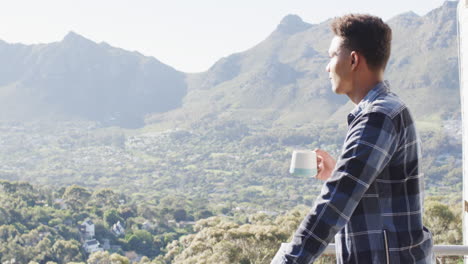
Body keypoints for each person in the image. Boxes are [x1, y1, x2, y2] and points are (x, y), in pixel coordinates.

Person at [272, 14, 434, 264]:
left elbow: (335, 202)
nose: (327, 67)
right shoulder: (388, 110)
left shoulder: (377, 116)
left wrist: (288, 260)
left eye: (331, 57)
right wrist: (337, 171)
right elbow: (378, 194)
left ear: (354, 59)